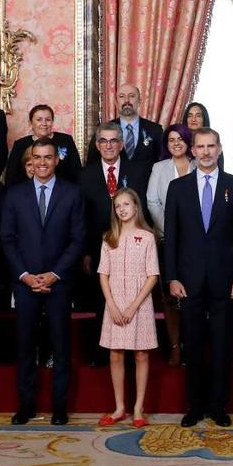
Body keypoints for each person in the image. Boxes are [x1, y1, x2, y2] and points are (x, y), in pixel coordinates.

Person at [164, 127, 233, 427]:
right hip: (187, 281)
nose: (205, 152)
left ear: (220, 148)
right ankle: (195, 406)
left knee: (222, 345)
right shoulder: (178, 188)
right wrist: (172, 277)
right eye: (200, 147)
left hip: (225, 280)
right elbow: (171, 238)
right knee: (194, 345)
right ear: (193, 150)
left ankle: (218, 406)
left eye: (211, 146)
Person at [1, 138, 86, 426]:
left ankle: (59, 408)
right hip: (25, 283)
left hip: (58, 282)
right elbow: (7, 240)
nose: (42, 163)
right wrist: (25, 276)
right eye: (37, 158)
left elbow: (77, 240)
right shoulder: (14, 195)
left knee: (61, 347)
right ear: (31, 161)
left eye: (47, 157)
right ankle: (26, 406)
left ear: (56, 160)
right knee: (26, 347)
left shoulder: (73, 194)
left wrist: (54, 274)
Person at [81, 122, 152, 365]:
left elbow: (145, 211)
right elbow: (83, 217)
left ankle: (133, 351)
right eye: (104, 141)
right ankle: (105, 351)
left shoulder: (139, 171)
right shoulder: (85, 175)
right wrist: (86, 253)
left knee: (132, 299)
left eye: (114, 141)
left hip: (133, 248)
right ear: (97, 145)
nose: (109, 146)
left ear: (121, 144)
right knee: (104, 299)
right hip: (99, 248)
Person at [97, 188, 160, 428]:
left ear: (136, 207)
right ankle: (119, 407)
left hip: (139, 303)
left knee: (141, 354)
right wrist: (111, 304)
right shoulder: (109, 238)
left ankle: (138, 408)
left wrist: (133, 306)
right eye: (118, 206)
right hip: (115, 302)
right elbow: (103, 275)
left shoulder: (146, 237)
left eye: (126, 204)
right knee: (115, 353)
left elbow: (152, 275)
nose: (122, 209)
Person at [145, 124, 193, 366]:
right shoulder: (159, 168)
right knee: (170, 299)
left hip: (196, 243)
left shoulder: (200, 166)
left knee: (193, 297)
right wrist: (171, 229)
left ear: (188, 142)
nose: (176, 143)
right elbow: (152, 202)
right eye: (171, 139)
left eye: (180, 139)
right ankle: (175, 347)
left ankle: (191, 345)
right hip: (167, 241)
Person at [87, 84, 164, 168]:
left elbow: (163, 165)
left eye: (132, 96)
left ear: (139, 101)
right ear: (116, 102)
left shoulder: (155, 130)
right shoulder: (103, 131)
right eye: (121, 96)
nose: (126, 100)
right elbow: (91, 166)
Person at [5, 104, 82, 186]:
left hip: (62, 191)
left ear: (52, 121)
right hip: (28, 192)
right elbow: (11, 177)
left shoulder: (65, 140)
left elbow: (77, 172)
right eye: (39, 120)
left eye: (48, 120)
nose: (44, 123)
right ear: (31, 123)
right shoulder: (20, 144)